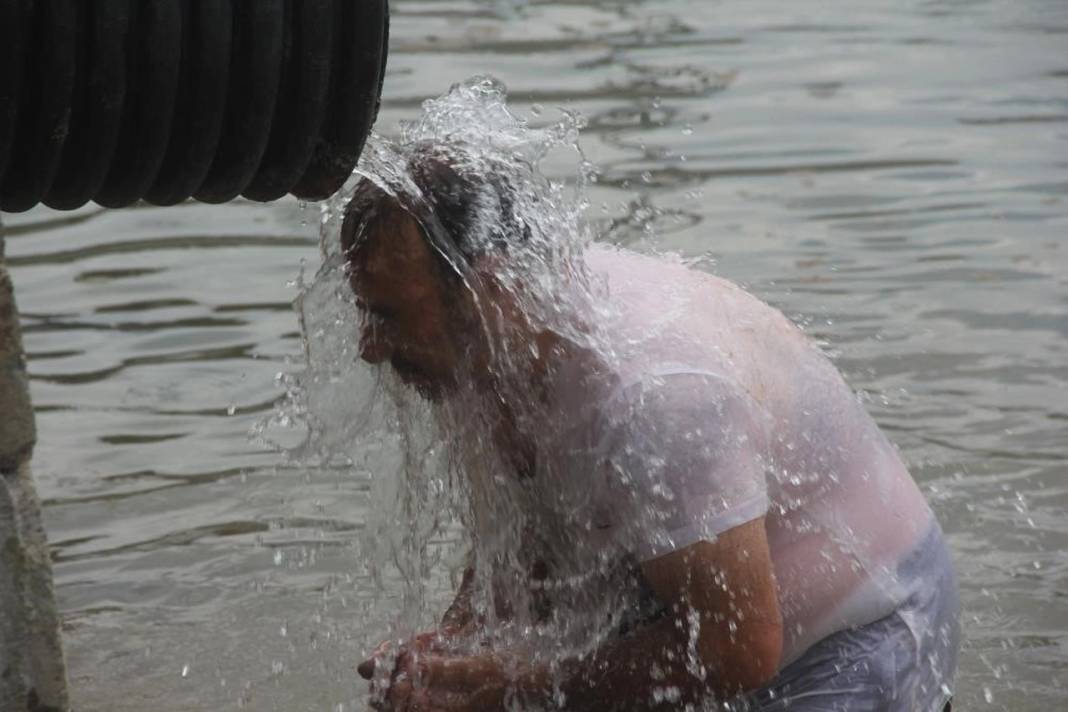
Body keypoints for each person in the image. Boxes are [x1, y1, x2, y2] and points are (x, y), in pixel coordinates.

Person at [344, 143, 960, 712]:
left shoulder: (655, 398)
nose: (369, 347)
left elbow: (737, 648)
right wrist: (454, 653)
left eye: (388, 315)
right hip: (696, 608)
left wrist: (505, 688)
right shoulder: (477, 354)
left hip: (859, 630)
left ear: (492, 289)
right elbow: (523, 548)